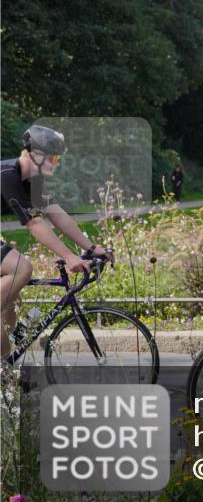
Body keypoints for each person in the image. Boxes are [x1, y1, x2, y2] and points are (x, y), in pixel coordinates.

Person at [1, 125, 111, 361]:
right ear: (34, 155)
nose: (56, 162)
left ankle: (4, 371)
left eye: (57, 157)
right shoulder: (8, 175)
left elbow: (54, 212)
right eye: (52, 157)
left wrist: (91, 248)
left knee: (11, 303)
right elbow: (34, 223)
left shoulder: (31, 179)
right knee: (21, 268)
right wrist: (70, 256)